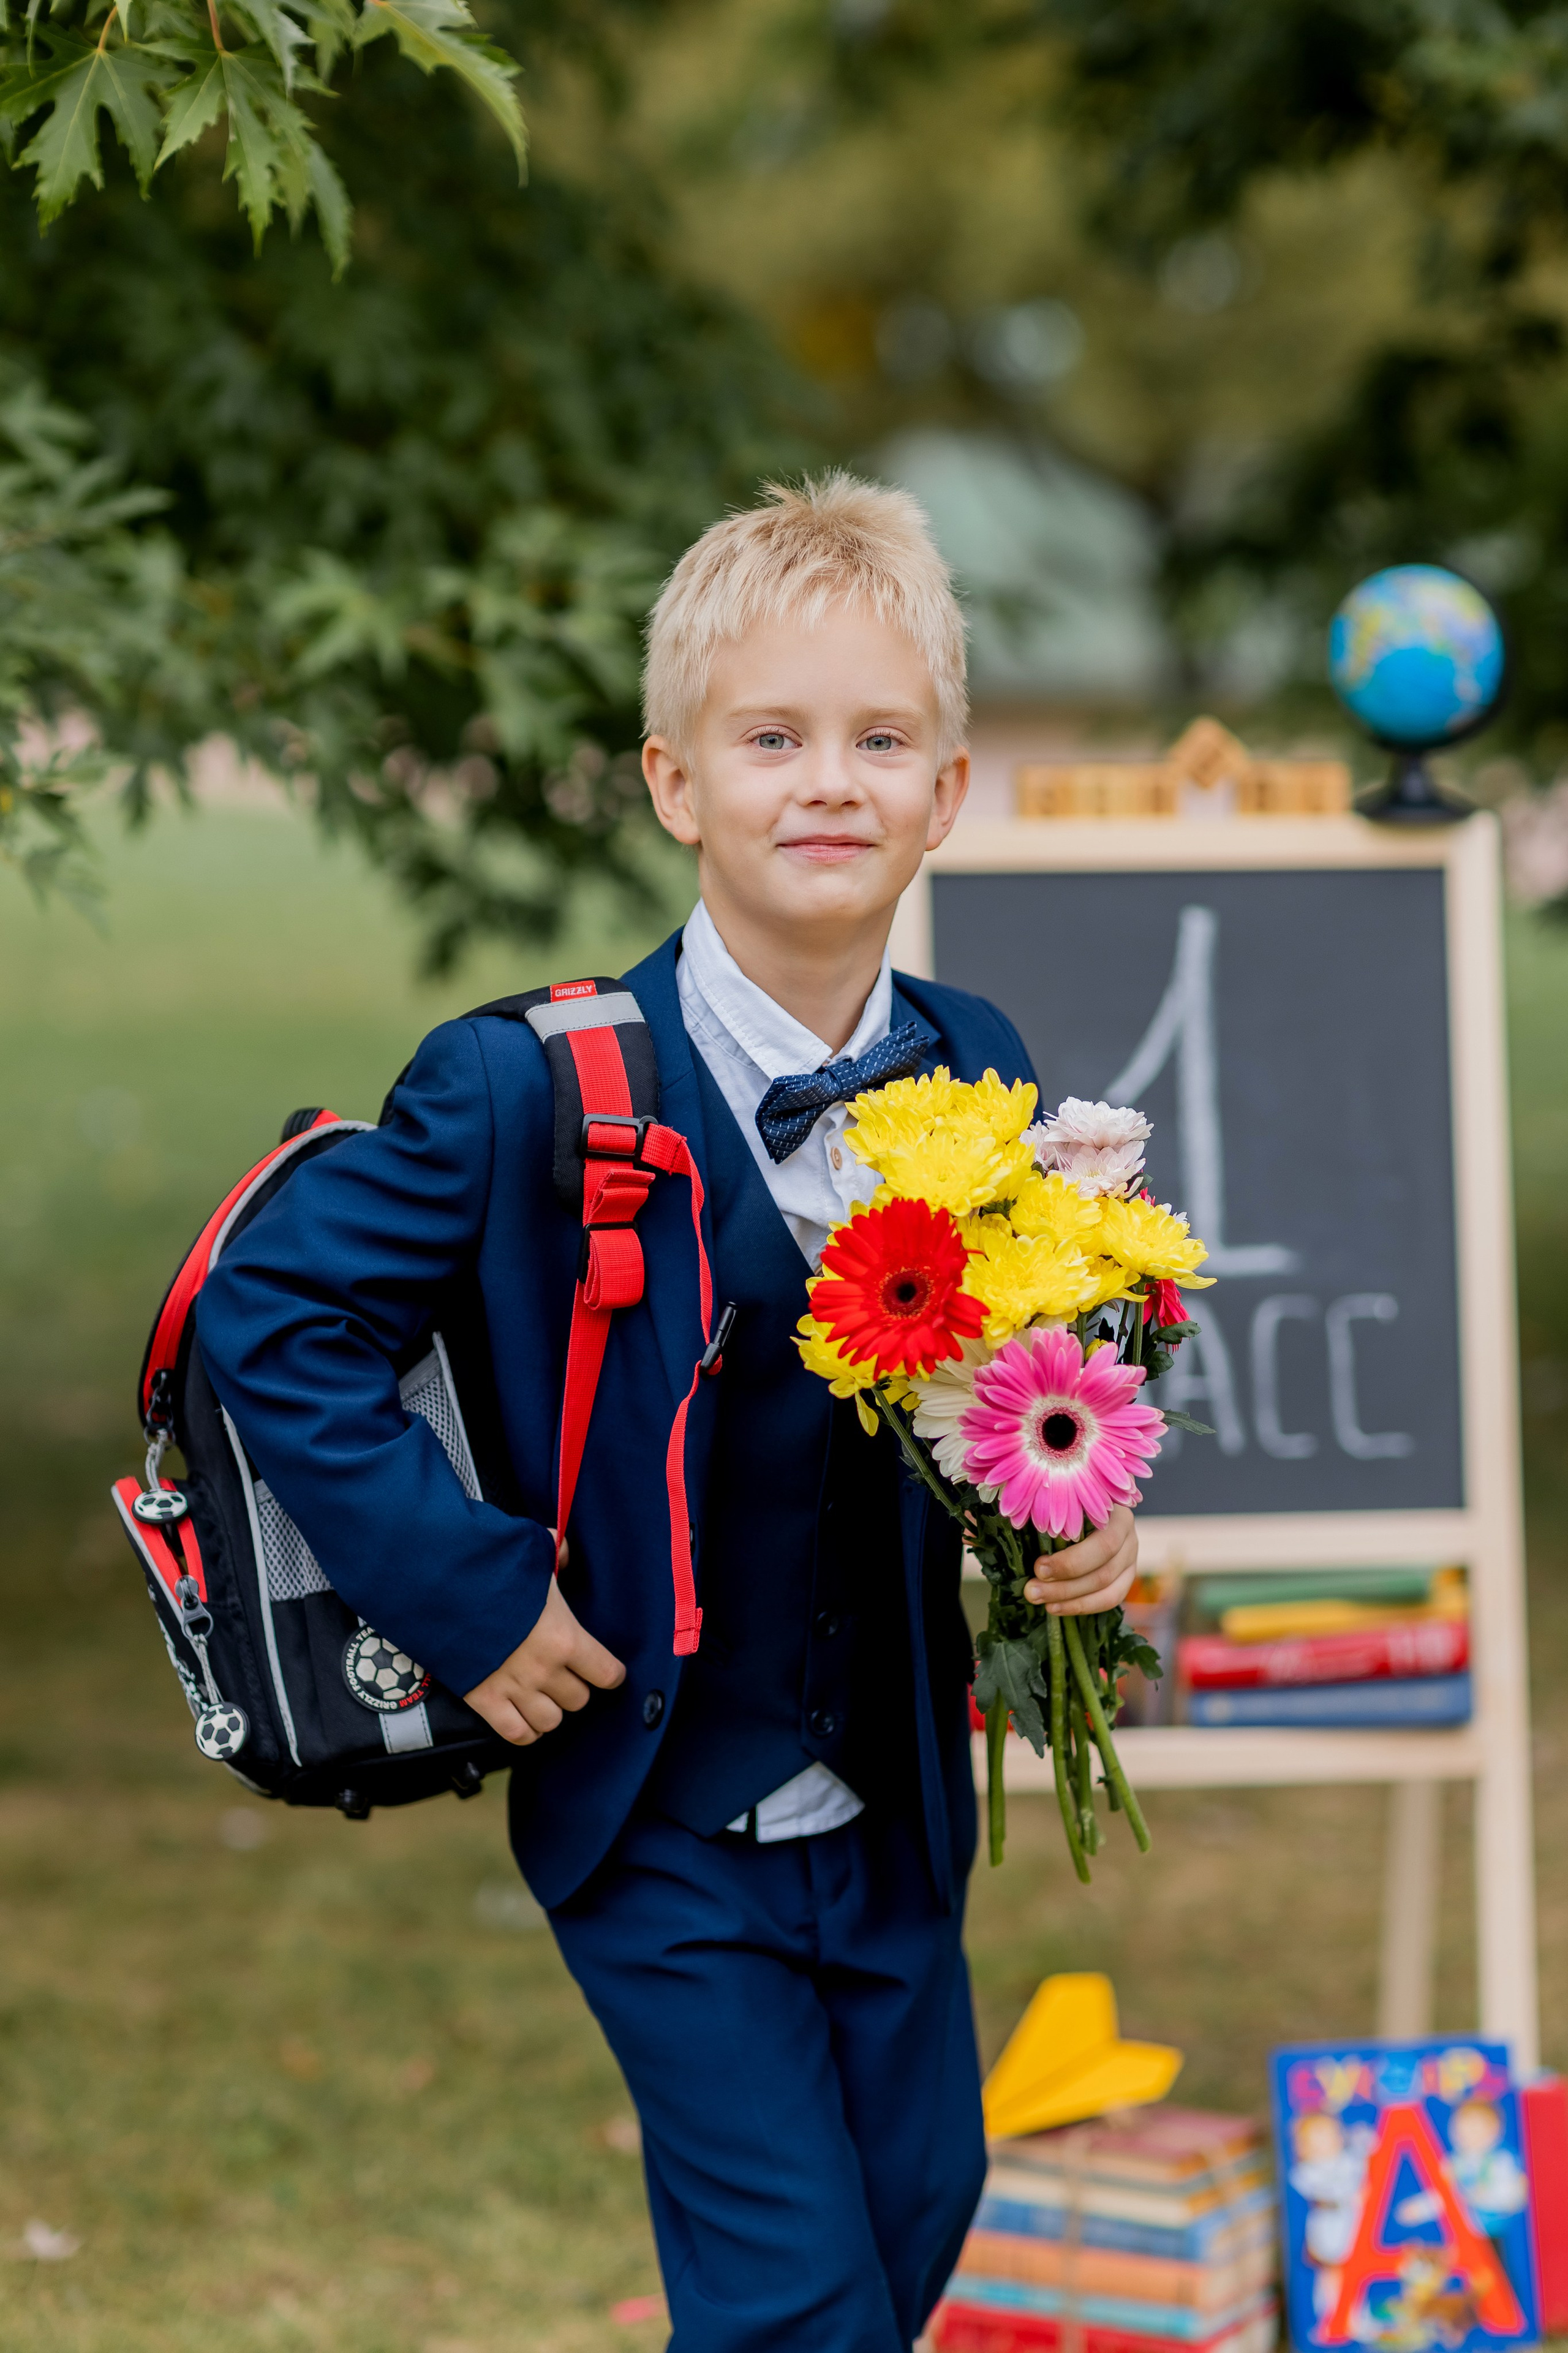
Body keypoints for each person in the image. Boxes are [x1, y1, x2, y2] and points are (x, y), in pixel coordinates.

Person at [195, 474, 1140, 2352]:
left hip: (889, 1798)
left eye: (881, 741)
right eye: (771, 737)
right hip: (655, 1807)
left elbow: (1026, 1383)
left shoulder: (985, 1063)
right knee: (797, 2294)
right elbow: (267, 1309)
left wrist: (1078, 1514)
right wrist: (468, 1593)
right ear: (672, 781)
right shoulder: (524, 1087)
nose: (828, 783)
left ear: (946, 791)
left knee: (917, 2200)